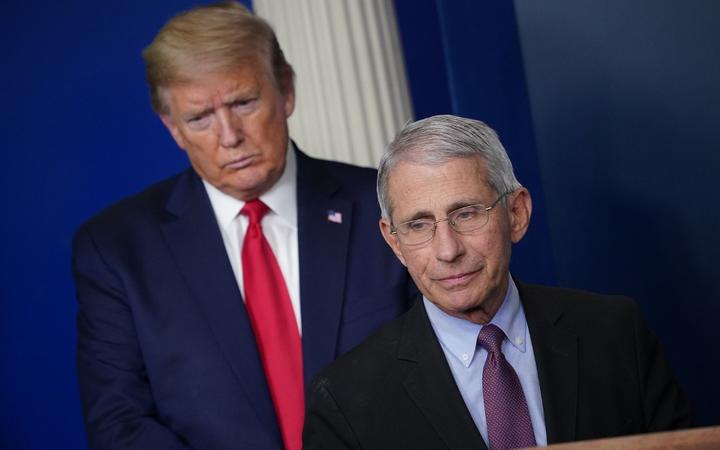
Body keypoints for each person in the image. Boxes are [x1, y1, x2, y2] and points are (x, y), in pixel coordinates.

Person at [71, 2, 415, 449]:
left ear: (286, 91)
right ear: (172, 128)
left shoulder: (384, 207)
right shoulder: (116, 249)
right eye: (199, 118)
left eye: (243, 102)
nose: (229, 136)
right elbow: (120, 423)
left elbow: (442, 376)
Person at [303, 115, 692, 450]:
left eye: (467, 214)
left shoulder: (616, 333)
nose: (447, 249)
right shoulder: (344, 400)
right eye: (418, 225)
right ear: (394, 241)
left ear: (517, 213)